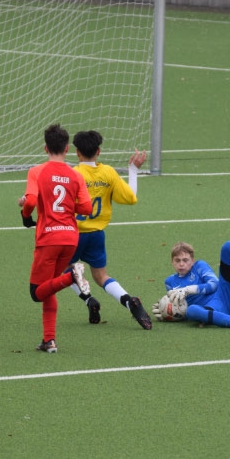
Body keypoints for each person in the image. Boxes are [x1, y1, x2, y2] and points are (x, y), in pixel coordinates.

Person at [18, 124, 93, 354]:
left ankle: (72, 276)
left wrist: (25, 214)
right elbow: (87, 208)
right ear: (67, 148)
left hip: (49, 238)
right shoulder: (75, 174)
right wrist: (69, 205)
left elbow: (31, 201)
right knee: (49, 287)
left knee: (36, 292)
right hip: (70, 238)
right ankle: (49, 340)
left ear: (45, 148)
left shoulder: (37, 171)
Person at [67, 130, 153, 330]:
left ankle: (88, 300)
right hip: (97, 235)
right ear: (98, 151)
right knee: (101, 276)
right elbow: (131, 198)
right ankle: (128, 301)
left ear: (77, 152)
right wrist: (133, 170)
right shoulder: (108, 172)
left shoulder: (73, 174)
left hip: (73, 234)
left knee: (63, 270)